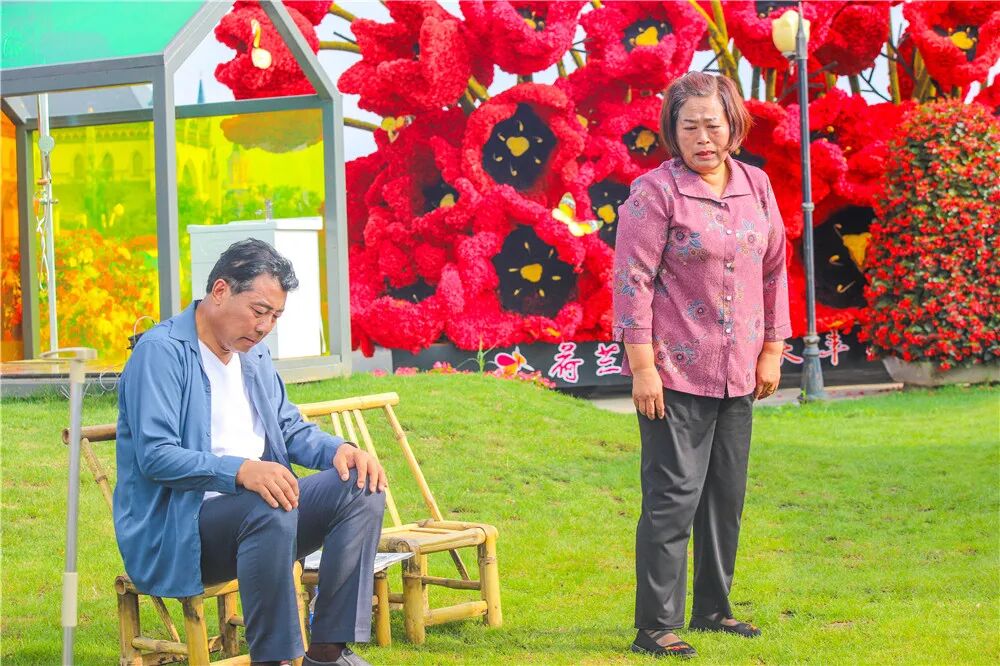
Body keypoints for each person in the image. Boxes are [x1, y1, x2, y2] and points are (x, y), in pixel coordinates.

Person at [114, 238, 387, 666]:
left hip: (265, 521)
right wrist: (241, 471)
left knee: (361, 486)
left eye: (275, 316)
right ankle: (273, 659)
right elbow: (157, 456)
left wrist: (341, 449)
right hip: (181, 533)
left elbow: (287, 426)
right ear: (220, 290)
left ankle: (327, 653)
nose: (264, 327)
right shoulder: (162, 352)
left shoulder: (253, 354)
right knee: (268, 502)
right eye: (259, 311)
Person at [612, 72, 791, 658]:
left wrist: (772, 349)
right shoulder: (654, 193)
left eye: (712, 125)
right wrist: (643, 368)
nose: (703, 138)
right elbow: (632, 282)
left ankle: (714, 610)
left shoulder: (756, 185)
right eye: (689, 127)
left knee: (724, 498)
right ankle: (655, 625)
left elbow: (774, 268)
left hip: (740, 372)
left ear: (733, 126)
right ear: (674, 132)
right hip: (675, 374)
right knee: (673, 499)